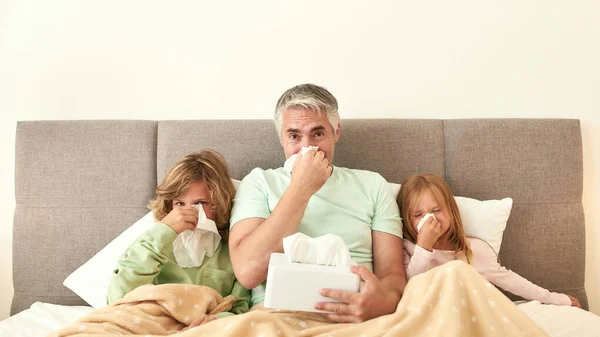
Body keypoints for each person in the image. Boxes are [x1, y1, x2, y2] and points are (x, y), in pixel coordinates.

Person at [228, 83, 406, 323]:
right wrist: (301, 189)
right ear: (281, 138)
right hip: (276, 317)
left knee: (451, 277)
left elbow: (393, 277)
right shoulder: (259, 182)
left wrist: (379, 304)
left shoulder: (372, 185)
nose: (306, 147)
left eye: (318, 133)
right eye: (294, 136)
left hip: (353, 317)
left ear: (336, 132)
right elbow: (248, 272)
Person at [397, 173, 581, 308]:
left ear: (451, 212)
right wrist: (423, 247)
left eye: (436, 210)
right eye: (418, 214)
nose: (430, 219)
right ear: (406, 220)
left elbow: (513, 282)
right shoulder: (408, 250)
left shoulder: (473, 250)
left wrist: (558, 299)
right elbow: (410, 289)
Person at [107, 150, 251, 321]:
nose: (188, 212)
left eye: (200, 203)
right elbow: (119, 297)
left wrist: (210, 322)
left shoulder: (234, 249)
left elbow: (241, 308)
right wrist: (164, 231)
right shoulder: (155, 244)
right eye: (180, 203)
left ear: (218, 203)